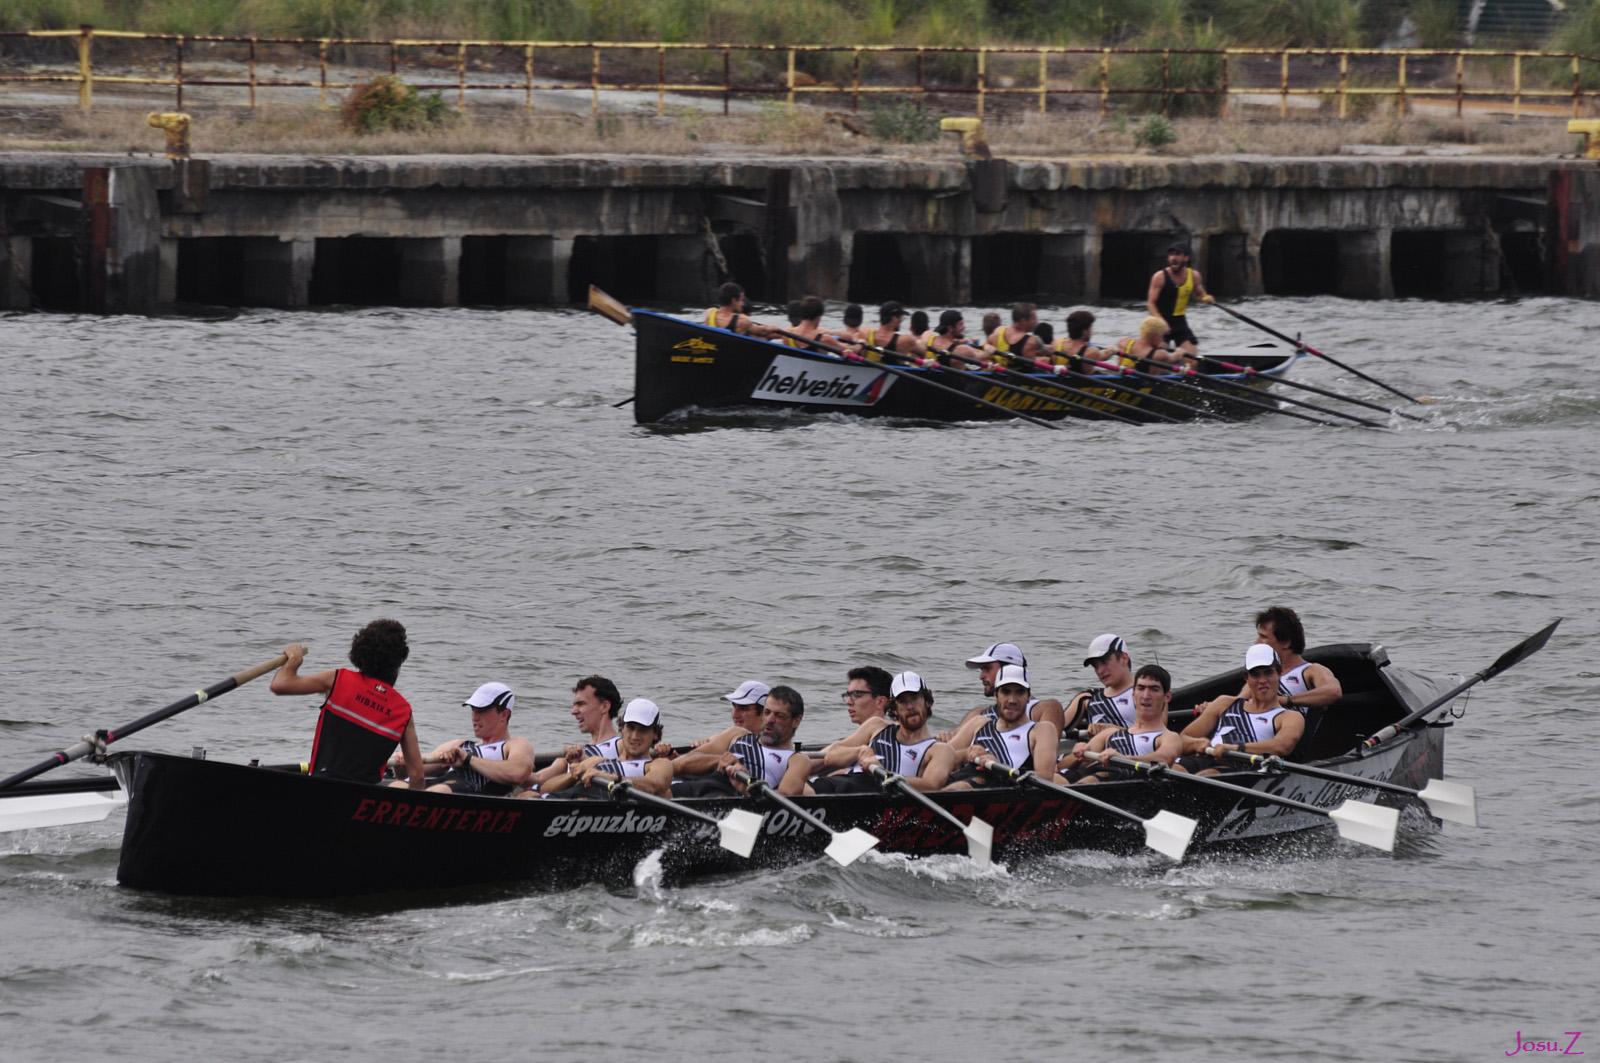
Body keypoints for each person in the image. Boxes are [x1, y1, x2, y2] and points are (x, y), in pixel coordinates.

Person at [269, 619, 424, 788]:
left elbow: (280, 685)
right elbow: (417, 776)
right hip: (365, 799)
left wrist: (293, 661)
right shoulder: (403, 711)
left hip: (321, 786)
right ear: (398, 662)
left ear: (360, 652)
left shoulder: (338, 679)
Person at [1178, 645, 1307, 774]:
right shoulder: (1224, 703)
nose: (1262, 680)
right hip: (1206, 757)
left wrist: (1235, 748)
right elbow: (1181, 740)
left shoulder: (1289, 717)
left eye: (1268, 673)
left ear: (1279, 673)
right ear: (1247, 678)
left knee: (1205, 776)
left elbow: (1282, 746)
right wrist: (1196, 743)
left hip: (1242, 768)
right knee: (1172, 769)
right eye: (1255, 675)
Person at [396, 682, 535, 795]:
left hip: (470, 791)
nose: (474, 717)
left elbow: (518, 772)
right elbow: (416, 770)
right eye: (473, 710)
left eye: (481, 710)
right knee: (398, 785)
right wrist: (402, 763)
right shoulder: (459, 744)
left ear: (504, 714)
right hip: (443, 784)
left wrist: (467, 759)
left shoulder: (515, 744)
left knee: (439, 790)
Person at [778, 665, 894, 794]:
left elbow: (830, 754)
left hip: (862, 789)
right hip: (853, 785)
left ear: (880, 701)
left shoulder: (880, 725)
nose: (849, 702)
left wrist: (787, 766)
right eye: (848, 695)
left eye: (857, 694)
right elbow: (828, 756)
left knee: (790, 784)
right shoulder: (865, 738)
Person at [944, 665, 1063, 789]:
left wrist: (998, 765)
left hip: (996, 787)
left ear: (1028, 697)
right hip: (961, 779)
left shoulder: (1041, 730)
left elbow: (1044, 779)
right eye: (1006, 692)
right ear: (996, 695)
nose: (1012, 700)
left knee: (960, 786)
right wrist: (966, 753)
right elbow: (940, 759)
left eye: (1019, 692)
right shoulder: (979, 723)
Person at [1060, 664, 1183, 783]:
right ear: (1133, 694)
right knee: (1056, 778)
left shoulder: (1168, 737)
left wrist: (1124, 759)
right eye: (1141, 688)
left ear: (1167, 697)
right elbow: (1061, 766)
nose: (1146, 696)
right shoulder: (1109, 733)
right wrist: (1077, 754)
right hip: (1092, 774)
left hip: (1125, 780)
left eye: (1154, 689)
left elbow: (1164, 759)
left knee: (1090, 780)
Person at [546, 698, 674, 798]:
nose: (635, 736)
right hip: (566, 801)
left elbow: (655, 785)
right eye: (630, 728)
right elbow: (544, 789)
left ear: (655, 734)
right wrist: (573, 776)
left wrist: (613, 778)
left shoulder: (658, 764)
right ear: (622, 728)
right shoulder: (596, 760)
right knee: (531, 795)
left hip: (599, 808)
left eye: (643, 730)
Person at [853, 672, 957, 792]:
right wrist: (858, 752)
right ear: (894, 709)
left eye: (914, 698)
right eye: (902, 701)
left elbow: (932, 785)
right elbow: (833, 752)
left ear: (927, 701)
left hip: (875, 793)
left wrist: (886, 773)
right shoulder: (877, 727)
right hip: (850, 781)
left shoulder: (940, 750)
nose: (910, 707)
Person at [668, 680, 772, 796]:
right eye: (734, 706)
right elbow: (682, 763)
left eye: (743, 708)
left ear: (765, 713)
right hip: (688, 786)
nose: (734, 715)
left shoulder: (784, 750)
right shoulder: (738, 732)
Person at [945, 642, 1066, 739]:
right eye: (982, 670)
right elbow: (952, 743)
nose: (981, 676)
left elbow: (1047, 752)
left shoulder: (1046, 708)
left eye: (987, 669)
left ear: (1008, 670)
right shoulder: (977, 714)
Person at [526, 674, 623, 791]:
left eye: (581, 704)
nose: (573, 711)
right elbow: (537, 779)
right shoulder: (573, 753)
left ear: (604, 706)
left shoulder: (621, 745)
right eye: (574, 705)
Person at [708, 685, 808, 796]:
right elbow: (689, 760)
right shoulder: (739, 735)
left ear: (796, 721)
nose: (769, 720)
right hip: (705, 783)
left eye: (779, 716)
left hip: (725, 796)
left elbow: (785, 797)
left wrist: (746, 790)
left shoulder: (797, 760)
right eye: (767, 712)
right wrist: (717, 760)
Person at [1248, 605, 1343, 711]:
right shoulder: (1260, 675)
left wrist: (1286, 700)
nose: (1256, 643)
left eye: (1263, 637)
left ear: (1285, 642)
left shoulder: (1311, 671)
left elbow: (1333, 691)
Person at [1146, 243, 1213, 357]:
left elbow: (1200, 294)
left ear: (1186, 258)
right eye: (1171, 255)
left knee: (1192, 359)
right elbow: (1150, 303)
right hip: (1159, 324)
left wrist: (1206, 298)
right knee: (1159, 358)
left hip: (1180, 323)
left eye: (1177, 254)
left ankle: (1185, 369)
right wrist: (1161, 322)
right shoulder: (1159, 277)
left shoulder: (1194, 276)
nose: (1173, 258)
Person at [1065, 634, 1138, 733]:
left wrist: (1113, 730)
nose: (1100, 671)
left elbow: (1155, 734)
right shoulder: (1088, 697)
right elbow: (1055, 728)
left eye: (1104, 662)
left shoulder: (1146, 692)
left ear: (1123, 658)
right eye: (1095, 666)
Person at [704, 281, 780, 339]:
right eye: (741, 300)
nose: (743, 304)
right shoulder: (742, 320)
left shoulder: (709, 313)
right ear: (733, 300)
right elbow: (762, 331)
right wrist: (772, 328)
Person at [1109, 316, 1182, 370]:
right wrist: (1180, 352)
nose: (1162, 339)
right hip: (1143, 387)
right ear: (1156, 336)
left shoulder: (1123, 342)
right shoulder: (1159, 354)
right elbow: (1174, 357)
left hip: (1121, 381)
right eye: (1162, 336)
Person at [861, 301, 926, 360]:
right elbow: (926, 354)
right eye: (901, 317)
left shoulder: (864, 333)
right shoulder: (905, 340)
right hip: (897, 371)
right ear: (894, 318)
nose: (901, 320)